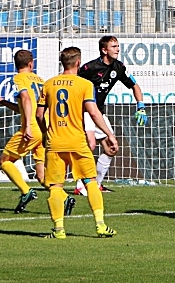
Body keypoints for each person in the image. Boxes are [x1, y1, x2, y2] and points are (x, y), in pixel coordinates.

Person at [35, 47, 119, 239]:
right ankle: (100, 225)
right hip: (77, 141)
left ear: (62, 63)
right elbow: (94, 113)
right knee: (90, 182)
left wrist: (45, 132)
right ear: (78, 63)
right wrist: (109, 135)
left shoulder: (49, 84)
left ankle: (58, 230)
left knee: (56, 187)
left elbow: (39, 115)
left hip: (55, 142)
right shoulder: (84, 84)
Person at [67, 36, 148, 212]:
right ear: (104, 50)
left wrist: (141, 106)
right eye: (113, 46)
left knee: (112, 148)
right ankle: (81, 185)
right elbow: (71, 81)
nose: (117, 49)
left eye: (118, 46)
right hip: (83, 111)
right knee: (90, 144)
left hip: (99, 112)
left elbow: (134, 86)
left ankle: (96, 185)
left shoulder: (119, 67)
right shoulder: (90, 67)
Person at [0, 49, 45, 214]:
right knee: (41, 176)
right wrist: (3, 101)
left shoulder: (19, 78)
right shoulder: (41, 80)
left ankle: (26, 191)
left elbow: (27, 100)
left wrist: (27, 126)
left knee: (4, 160)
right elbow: (27, 106)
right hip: (43, 128)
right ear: (31, 63)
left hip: (31, 128)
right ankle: (64, 198)